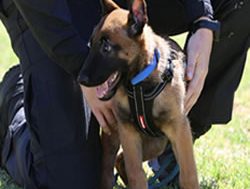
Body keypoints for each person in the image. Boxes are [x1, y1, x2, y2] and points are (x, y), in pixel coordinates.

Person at [0, 0, 249, 188]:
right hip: (48, 9)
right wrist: (81, 67)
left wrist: (203, 19)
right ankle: (18, 93)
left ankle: (167, 141)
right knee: (71, 178)